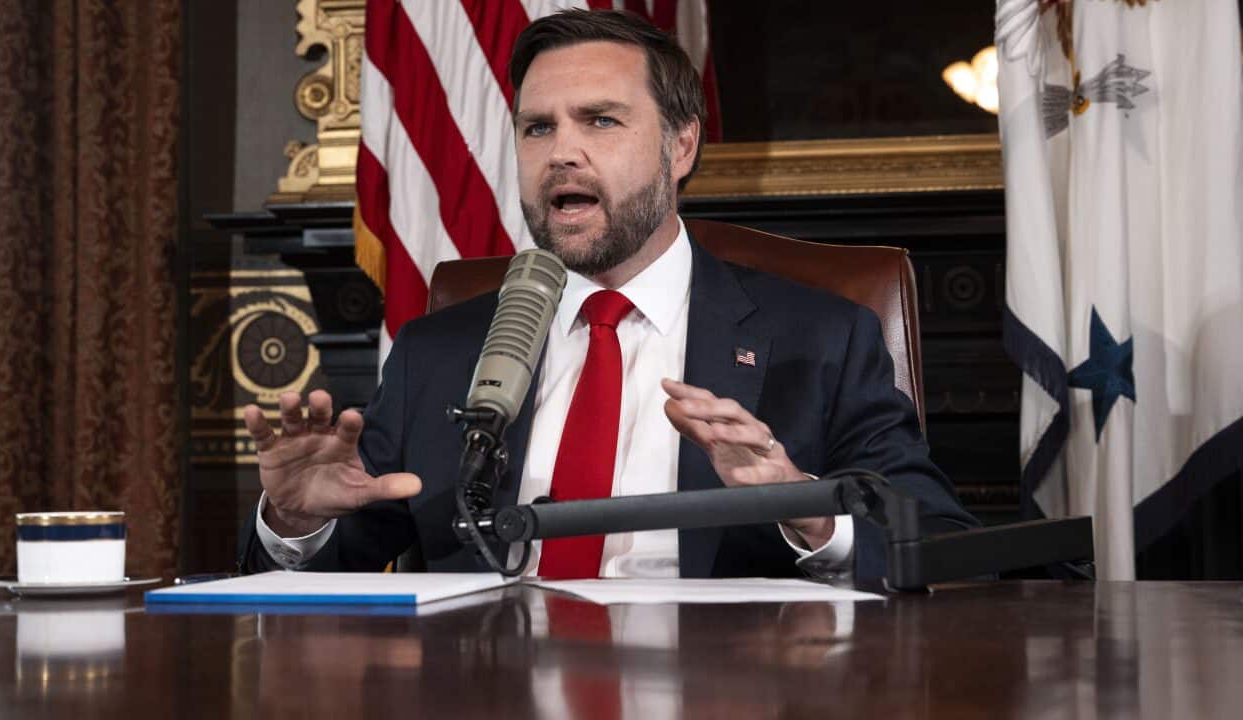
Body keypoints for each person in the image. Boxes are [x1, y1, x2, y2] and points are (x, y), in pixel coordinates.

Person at [238, 9, 977, 580]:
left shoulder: (818, 338)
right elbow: (340, 564)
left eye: (600, 120)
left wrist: (808, 507)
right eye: (537, 127)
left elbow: (938, 540)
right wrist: (295, 521)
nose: (561, 151)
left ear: (680, 145)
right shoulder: (441, 350)